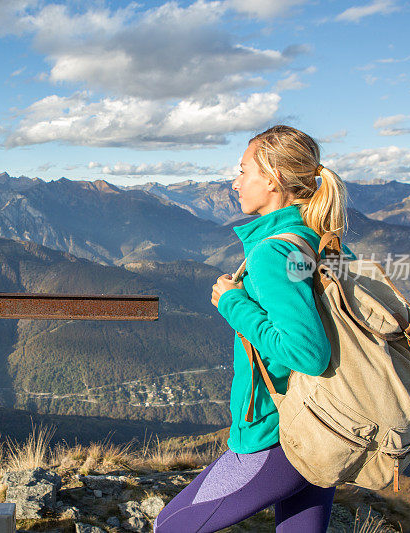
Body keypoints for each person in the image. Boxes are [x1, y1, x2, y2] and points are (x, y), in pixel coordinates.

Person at [153, 125, 357, 533]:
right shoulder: (320, 239)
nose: (235, 181)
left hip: (277, 433)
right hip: (322, 421)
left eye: (243, 171)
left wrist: (234, 304)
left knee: (171, 527)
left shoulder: (274, 252)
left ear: (272, 178)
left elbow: (307, 352)